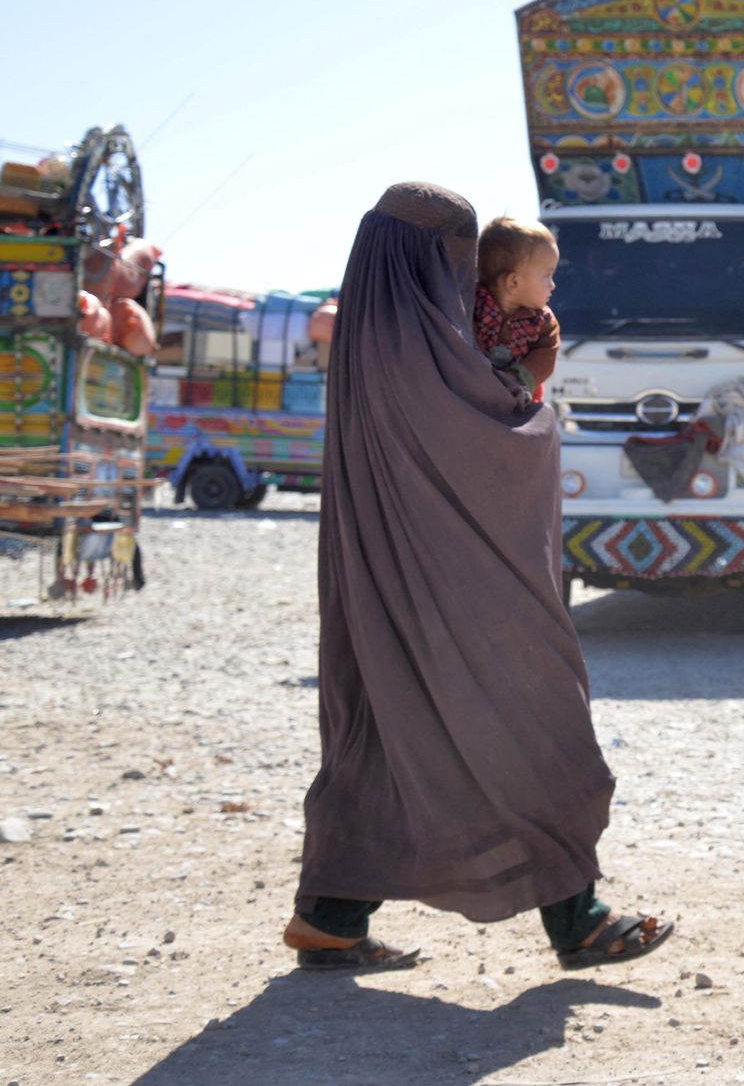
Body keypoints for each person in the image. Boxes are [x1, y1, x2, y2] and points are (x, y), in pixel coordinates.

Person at [284, 182, 672, 972]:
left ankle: (330, 913)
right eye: (457, 255)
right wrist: (534, 389)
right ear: (427, 257)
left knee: (390, 730)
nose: (467, 273)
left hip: (385, 593)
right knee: (533, 717)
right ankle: (579, 918)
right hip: (462, 588)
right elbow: (499, 436)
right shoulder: (424, 349)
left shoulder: (372, 336)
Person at [475, 214, 562, 397]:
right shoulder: (472, 307)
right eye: (547, 276)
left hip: (521, 395)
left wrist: (518, 379)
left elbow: (545, 355)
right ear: (514, 282)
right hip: (477, 390)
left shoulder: (543, 322)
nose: (552, 285)